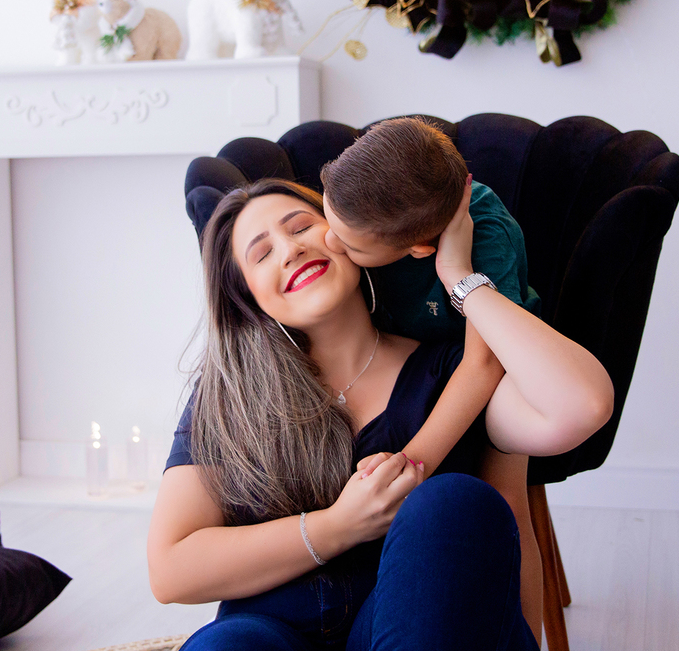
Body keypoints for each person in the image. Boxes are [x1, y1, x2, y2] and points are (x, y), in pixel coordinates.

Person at [147, 179, 612, 651]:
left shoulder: (457, 371)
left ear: (348, 237)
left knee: (453, 504)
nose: (290, 250)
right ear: (247, 297)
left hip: (421, 626)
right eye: (262, 254)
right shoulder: (229, 395)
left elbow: (582, 406)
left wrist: (461, 279)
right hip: (270, 630)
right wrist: (338, 526)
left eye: (302, 226)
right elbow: (170, 570)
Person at [320, 117, 545, 631]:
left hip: (494, 368)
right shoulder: (364, 206)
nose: (330, 242)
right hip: (408, 361)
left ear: (421, 248)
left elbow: (484, 364)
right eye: (328, 216)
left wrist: (413, 462)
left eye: (351, 246)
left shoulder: (487, 235)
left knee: (505, 501)